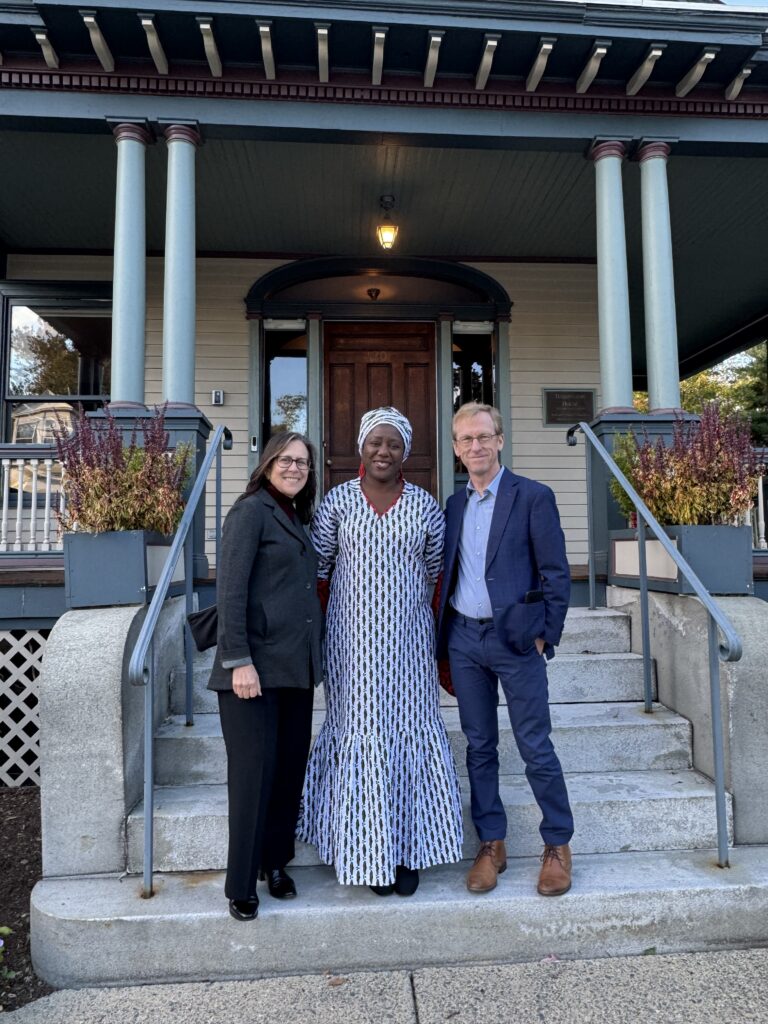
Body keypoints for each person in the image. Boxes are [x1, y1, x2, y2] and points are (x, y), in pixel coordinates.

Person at [297, 407, 463, 897]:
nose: (383, 451)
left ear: (405, 452)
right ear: (362, 448)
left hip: (409, 646)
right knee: (361, 736)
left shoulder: (425, 507)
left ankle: (407, 850)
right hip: (351, 649)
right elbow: (320, 571)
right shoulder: (337, 503)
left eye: (393, 444)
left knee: (407, 735)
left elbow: (436, 576)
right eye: (376, 442)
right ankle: (363, 850)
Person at [435, 401, 574, 897]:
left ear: (499, 440)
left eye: (483, 437)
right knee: (480, 746)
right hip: (464, 640)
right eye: (465, 439)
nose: (475, 446)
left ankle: (557, 843)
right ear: (456, 449)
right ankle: (491, 843)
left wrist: (545, 634)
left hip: (516, 639)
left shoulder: (533, 496)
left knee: (535, 745)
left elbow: (556, 573)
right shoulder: (452, 506)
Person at [207, 432, 323, 921]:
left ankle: (276, 863)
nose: (295, 468)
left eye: (303, 462)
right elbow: (229, 591)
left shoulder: (296, 516)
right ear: (268, 462)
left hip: (294, 669)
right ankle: (241, 883)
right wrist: (238, 661)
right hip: (251, 672)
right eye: (287, 459)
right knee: (253, 776)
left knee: (287, 772)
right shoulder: (250, 511)